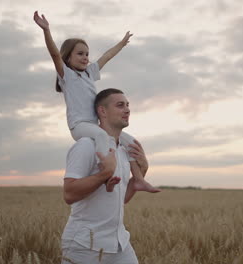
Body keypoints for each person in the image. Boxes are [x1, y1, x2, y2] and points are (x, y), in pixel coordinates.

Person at [33, 11, 159, 193]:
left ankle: (138, 180)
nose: (85, 57)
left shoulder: (90, 74)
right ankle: (106, 173)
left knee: (130, 142)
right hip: (79, 125)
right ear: (68, 57)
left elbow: (106, 57)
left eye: (87, 54)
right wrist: (46, 30)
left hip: (96, 125)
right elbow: (54, 54)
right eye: (80, 54)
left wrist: (122, 44)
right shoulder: (67, 76)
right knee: (102, 137)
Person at [61, 88, 147, 264]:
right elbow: (69, 194)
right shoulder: (86, 146)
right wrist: (105, 174)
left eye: (128, 105)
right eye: (120, 105)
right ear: (102, 111)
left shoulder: (123, 151)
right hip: (84, 245)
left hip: (119, 244)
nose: (127, 109)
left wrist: (142, 173)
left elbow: (120, 200)